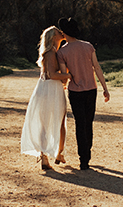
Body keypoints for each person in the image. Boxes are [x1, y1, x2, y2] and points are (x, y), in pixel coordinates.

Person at [55, 17, 109, 170]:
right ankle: (87, 152)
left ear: (64, 33)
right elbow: (97, 68)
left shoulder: (62, 52)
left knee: (80, 123)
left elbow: (65, 75)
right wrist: (105, 88)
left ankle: (83, 158)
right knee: (88, 122)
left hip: (75, 91)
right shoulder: (88, 46)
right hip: (91, 89)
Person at [20, 26, 71, 170]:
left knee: (54, 121)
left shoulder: (55, 52)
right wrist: (69, 75)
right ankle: (50, 155)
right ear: (52, 36)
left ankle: (54, 154)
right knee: (53, 121)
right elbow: (52, 75)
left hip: (49, 88)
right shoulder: (50, 53)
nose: (61, 31)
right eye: (57, 31)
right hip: (50, 89)